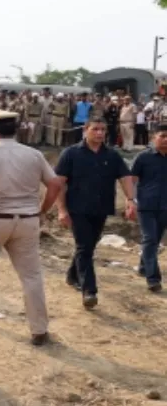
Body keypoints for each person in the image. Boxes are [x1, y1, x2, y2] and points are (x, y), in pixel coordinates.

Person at [0, 109, 63, 346]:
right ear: (16, 130)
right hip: (27, 219)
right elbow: (55, 184)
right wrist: (42, 211)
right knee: (31, 276)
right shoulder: (34, 154)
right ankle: (39, 329)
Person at [55, 118, 135, 308]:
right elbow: (59, 183)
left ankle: (72, 275)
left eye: (102, 130)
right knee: (84, 247)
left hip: (101, 209)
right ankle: (89, 290)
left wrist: (131, 200)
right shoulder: (71, 154)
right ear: (86, 129)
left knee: (89, 246)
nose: (99, 133)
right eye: (95, 129)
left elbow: (125, 177)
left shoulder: (112, 155)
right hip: (77, 209)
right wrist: (61, 210)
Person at [131, 124, 167, 292]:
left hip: (165, 207)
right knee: (150, 239)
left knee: (155, 240)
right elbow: (131, 179)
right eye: (163, 136)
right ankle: (153, 279)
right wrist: (130, 201)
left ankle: (143, 267)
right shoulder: (143, 157)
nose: (166, 140)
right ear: (154, 137)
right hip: (146, 205)